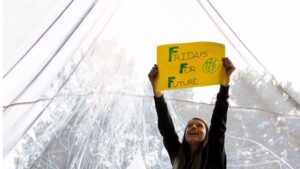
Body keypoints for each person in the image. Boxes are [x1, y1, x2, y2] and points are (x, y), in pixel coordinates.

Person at [148, 57, 235, 169]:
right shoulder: (177, 154)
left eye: (199, 126)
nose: (193, 127)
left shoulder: (213, 153)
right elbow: (166, 129)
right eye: (189, 126)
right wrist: (156, 87)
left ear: (207, 135)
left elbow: (218, 124)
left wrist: (226, 81)